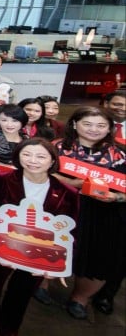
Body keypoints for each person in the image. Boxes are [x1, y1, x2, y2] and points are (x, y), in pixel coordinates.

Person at [0, 139, 78, 336]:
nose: (33, 161)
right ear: (18, 156)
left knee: (22, 292)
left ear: (52, 160)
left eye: (41, 156)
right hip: (3, 247)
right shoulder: (2, 180)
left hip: (40, 254)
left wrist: (58, 265)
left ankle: (10, 331)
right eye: (27, 155)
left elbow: (70, 231)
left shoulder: (67, 192)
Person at [56, 107, 126, 319]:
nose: (94, 129)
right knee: (53, 246)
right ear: (75, 124)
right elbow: (37, 171)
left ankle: (81, 298)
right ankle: (40, 285)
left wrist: (117, 197)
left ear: (109, 129)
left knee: (98, 256)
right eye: (88, 124)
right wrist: (73, 182)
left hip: (104, 213)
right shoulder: (57, 148)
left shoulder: (121, 154)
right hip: (63, 205)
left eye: (101, 125)